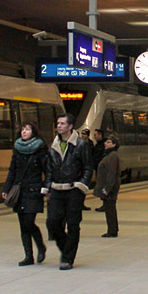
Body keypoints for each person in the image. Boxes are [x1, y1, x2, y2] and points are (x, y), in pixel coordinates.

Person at [43, 114, 94, 270]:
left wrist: (82, 185)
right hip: (57, 189)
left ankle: (67, 258)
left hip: (74, 190)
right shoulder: (53, 145)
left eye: (62, 123)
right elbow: (49, 169)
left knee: (73, 224)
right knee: (53, 222)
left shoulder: (81, 144)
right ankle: (66, 248)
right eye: (58, 123)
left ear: (70, 126)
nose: (59, 126)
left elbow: (88, 166)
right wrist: (47, 186)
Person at [3, 122, 48, 266]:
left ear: (33, 132)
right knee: (23, 225)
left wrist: (47, 187)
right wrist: (6, 189)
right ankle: (28, 256)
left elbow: (47, 170)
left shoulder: (40, 149)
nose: (24, 132)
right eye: (22, 129)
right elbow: (12, 171)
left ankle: (40, 246)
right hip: (20, 191)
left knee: (29, 222)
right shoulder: (17, 149)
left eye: (27, 129)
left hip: (34, 190)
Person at [95, 134, 122, 237]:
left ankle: (112, 230)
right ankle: (112, 229)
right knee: (109, 208)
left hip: (110, 187)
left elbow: (111, 173)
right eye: (106, 142)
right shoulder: (109, 155)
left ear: (114, 144)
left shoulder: (113, 156)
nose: (105, 143)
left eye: (109, 142)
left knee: (110, 209)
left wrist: (107, 189)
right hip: (109, 186)